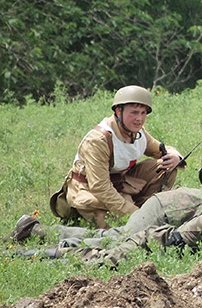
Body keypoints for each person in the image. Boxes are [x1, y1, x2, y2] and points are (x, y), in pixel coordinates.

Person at [18, 164, 202, 266]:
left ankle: (40, 238)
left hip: (162, 239)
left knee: (104, 244)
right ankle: (35, 250)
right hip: (153, 243)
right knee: (99, 255)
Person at [52, 86, 183, 229]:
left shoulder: (138, 133)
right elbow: (100, 187)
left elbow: (160, 150)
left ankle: (150, 211)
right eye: (133, 113)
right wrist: (135, 214)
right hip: (90, 190)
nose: (139, 119)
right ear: (118, 111)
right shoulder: (98, 140)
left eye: (143, 113)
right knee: (122, 230)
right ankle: (144, 216)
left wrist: (175, 156)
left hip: (119, 183)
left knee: (167, 167)